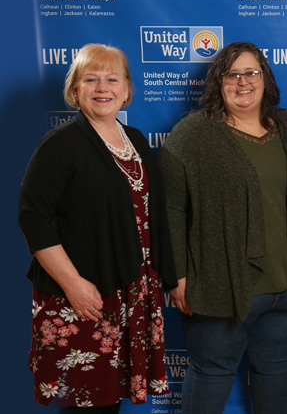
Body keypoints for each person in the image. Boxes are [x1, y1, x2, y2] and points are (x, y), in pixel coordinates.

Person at [157, 41, 287, 414]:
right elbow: (169, 210)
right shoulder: (192, 135)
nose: (243, 82)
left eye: (251, 73)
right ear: (218, 82)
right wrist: (176, 275)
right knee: (210, 379)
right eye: (232, 74)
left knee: (276, 391)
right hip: (219, 291)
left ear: (265, 79)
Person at [18, 43, 178, 413]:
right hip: (84, 297)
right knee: (85, 403)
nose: (102, 87)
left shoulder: (135, 139)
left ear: (126, 90)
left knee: (108, 401)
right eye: (91, 79)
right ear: (75, 91)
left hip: (131, 291)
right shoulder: (61, 144)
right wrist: (74, 285)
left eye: (111, 79)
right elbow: (33, 218)